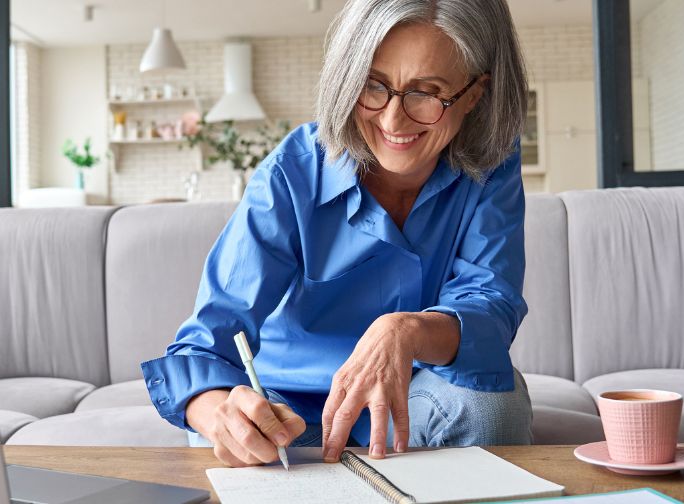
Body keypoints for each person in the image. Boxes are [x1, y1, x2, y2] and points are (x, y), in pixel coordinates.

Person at [142, 0, 532, 468]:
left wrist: (406, 330)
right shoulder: (293, 173)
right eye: (373, 86)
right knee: (224, 436)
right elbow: (207, 341)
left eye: (426, 93)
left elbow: (490, 303)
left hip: (413, 401)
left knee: (493, 403)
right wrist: (217, 411)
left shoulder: (492, 163)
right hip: (289, 414)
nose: (392, 121)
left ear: (474, 95)